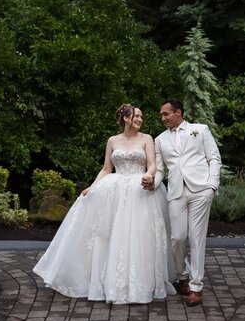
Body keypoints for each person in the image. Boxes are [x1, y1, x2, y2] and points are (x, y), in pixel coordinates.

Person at [33, 103, 174, 305]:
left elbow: (152, 164)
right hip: (114, 188)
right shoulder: (112, 141)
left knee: (138, 235)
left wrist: (149, 176)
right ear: (126, 118)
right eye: (136, 116)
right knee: (107, 234)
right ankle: (106, 279)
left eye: (141, 117)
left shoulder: (146, 139)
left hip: (138, 188)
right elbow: (107, 169)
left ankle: (138, 282)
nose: (140, 120)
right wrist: (92, 187)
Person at [148, 98, 223, 307]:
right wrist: (152, 183)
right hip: (176, 192)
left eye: (166, 114)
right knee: (177, 237)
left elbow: (214, 158)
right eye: (161, 115)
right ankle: (182, 275)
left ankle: (196, 286)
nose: (162, 118)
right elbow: (161, 170)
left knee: (197, 237)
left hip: (201, 190)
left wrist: (212, 186)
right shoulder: (160, 140)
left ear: (178, 112)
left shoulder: (200, 130)